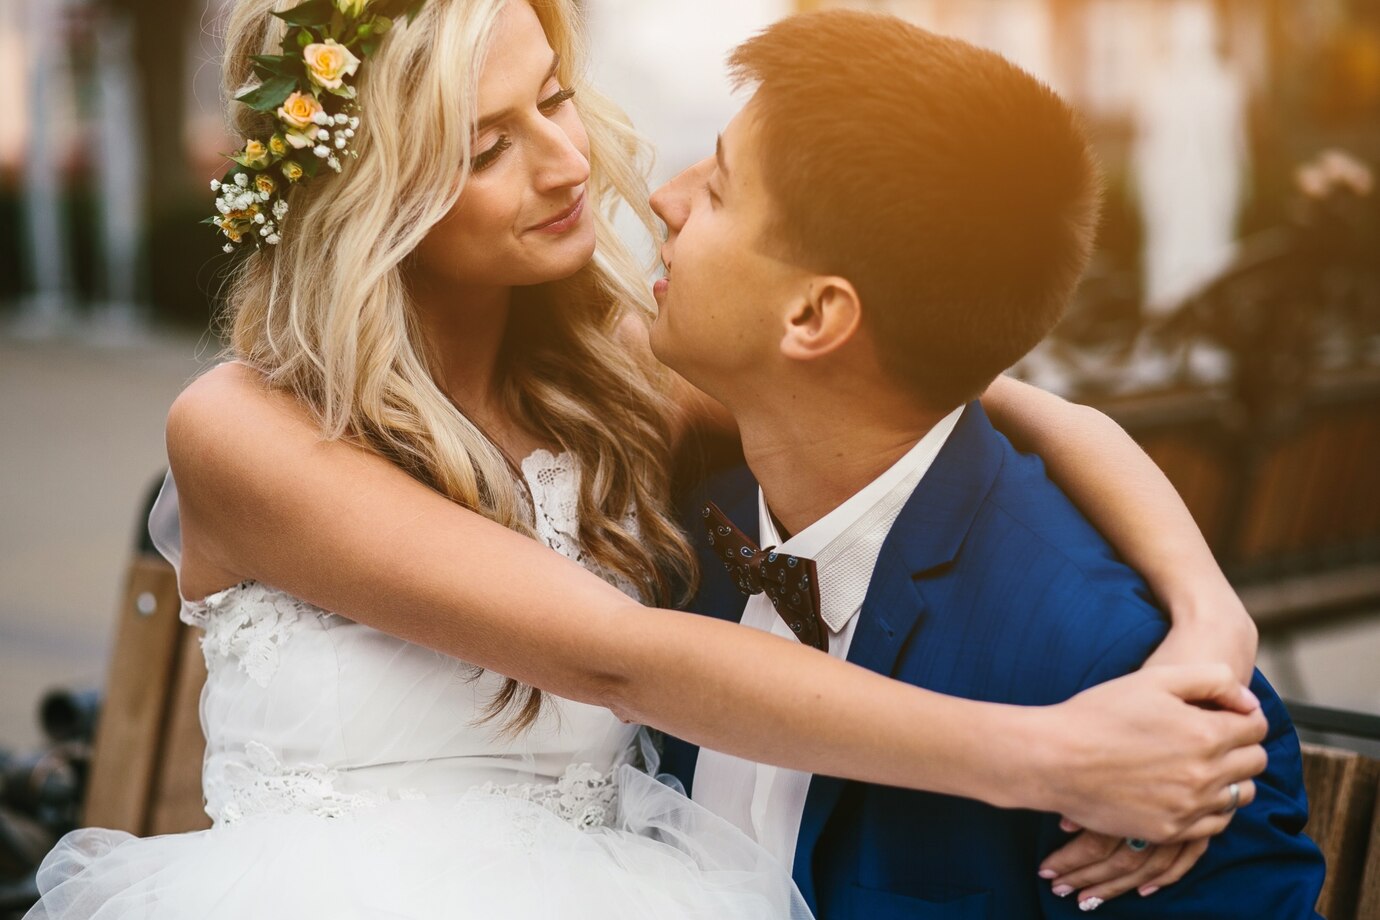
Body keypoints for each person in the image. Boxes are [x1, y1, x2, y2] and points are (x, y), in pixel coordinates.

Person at [28, 1, 1267, 917]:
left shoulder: (623, 373)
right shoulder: (245, 428)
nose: (568, 163)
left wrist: (1213, 620)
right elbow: (617, 654)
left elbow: (1012, 401)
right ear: (375, 197)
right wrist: (1052, 755)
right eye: (483, 145)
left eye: (553, 98)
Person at [650, 11, 1325, 918]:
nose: (666, 197)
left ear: (814, 317)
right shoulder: (666, 522)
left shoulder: (1136, 692)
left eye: (720, 190)